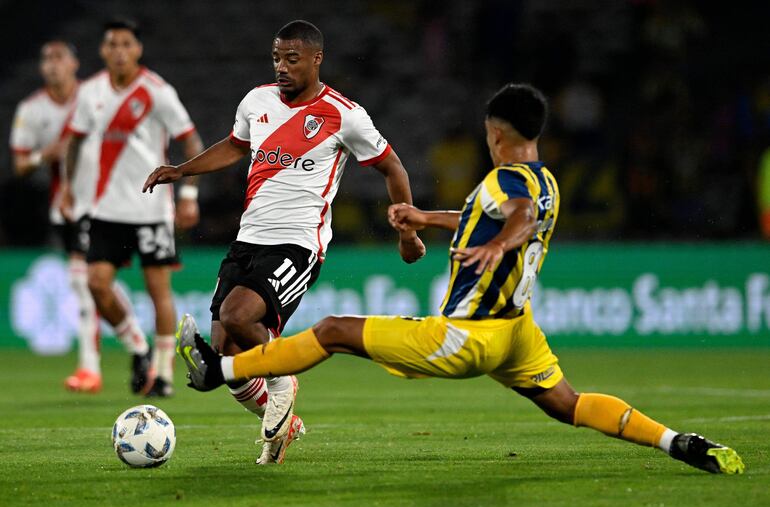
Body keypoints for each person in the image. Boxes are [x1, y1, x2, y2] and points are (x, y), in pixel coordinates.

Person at [176, 83, 745, 475]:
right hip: (518, 334)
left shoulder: (506, 182)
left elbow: (513, 217)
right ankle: (680, 442)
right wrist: (426, 218)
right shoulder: (546, 180)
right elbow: (497, 214)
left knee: (330, 331)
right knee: (569, 403)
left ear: (496, 133)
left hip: (467, 337)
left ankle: (219, 370)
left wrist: (500, 243)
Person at [143, 20, 425, 464]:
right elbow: (235, 146)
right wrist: (183, 170)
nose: (282, 67)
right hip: (249, 237)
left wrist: (407, 233)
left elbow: (394, 169)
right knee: (226, 354)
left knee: (239, 316)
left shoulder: (344, 114)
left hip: (298, 243)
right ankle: (284, 423)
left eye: (292, 59)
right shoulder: (256, 101)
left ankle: (283, 382)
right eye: (276, 58)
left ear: (316, 59)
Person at [62, 19, 204, 397]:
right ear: (103, 51)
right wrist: (66, 188)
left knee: (159, 291)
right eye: (112, 44)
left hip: (151, 210)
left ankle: (163, 374)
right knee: (96, 284)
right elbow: (74, 144)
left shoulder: (157, 91)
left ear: (138, 50)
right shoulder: (90, 91)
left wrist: (188, 196)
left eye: (126, 44)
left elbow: (192, 144)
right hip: (105, 210)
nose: (119, 50)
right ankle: (138, 348)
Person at [10, 40, 107, 392]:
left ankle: (112, 362)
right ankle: (97, 364)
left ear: (74, 63)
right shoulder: (32, 109)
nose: (52, 64)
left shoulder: (96, 95)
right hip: (67, 206)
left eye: (58, 57)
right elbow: (19, 164)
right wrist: (44, 155)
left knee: (93, 284)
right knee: (87, 285)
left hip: (109, 202)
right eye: (45, 58)